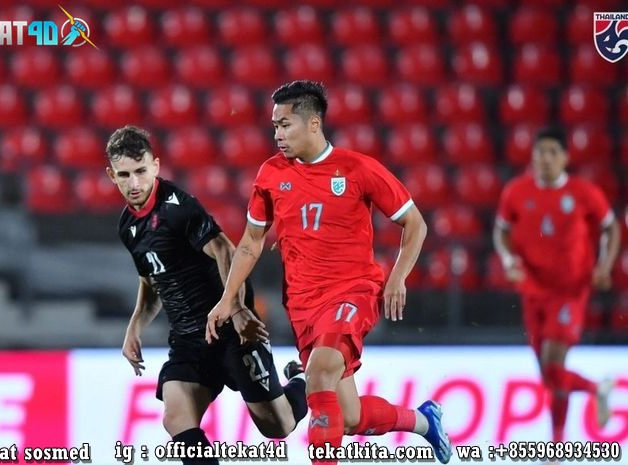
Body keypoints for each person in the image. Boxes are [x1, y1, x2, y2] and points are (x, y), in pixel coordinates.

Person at [206, 80, 452, 464]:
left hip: (352, 292)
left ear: (314, 124)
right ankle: (423, 421)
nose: (277, 135)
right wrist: (226, 299)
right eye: (274, 126)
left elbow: (415, 224)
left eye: (285, 125)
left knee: (319, 372)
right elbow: (252, 242)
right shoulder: (271, 175)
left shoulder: (358, 169)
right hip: (303, 304)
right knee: (349, 417)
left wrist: (398, 276)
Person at [105, 125, 308, 465]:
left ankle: (300, 378)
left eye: (141, 171)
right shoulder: (128, 227)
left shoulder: (179, 208)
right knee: (176, 419)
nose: (135, 183)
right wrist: (134, 327)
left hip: (230, 329)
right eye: (125, 175)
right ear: (112, 176)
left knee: (279, 425)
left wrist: (239, 309)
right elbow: (153, 282)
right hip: (188, 339)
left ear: (155, 165)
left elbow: (226, 251)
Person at [493, 126, 620, 442]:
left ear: (565, 157)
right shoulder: (516, 192)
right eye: (540, 153)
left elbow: (612, 227)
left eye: (552, 153)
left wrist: (604, 266)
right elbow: (501, 231)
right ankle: (565, 434)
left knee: (553, 366)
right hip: (532, 290)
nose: (545, 159)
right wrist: (509, 260)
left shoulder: (583, 193)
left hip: (569, 290)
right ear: (533, 157)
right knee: (551, 376)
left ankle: (591, 397)